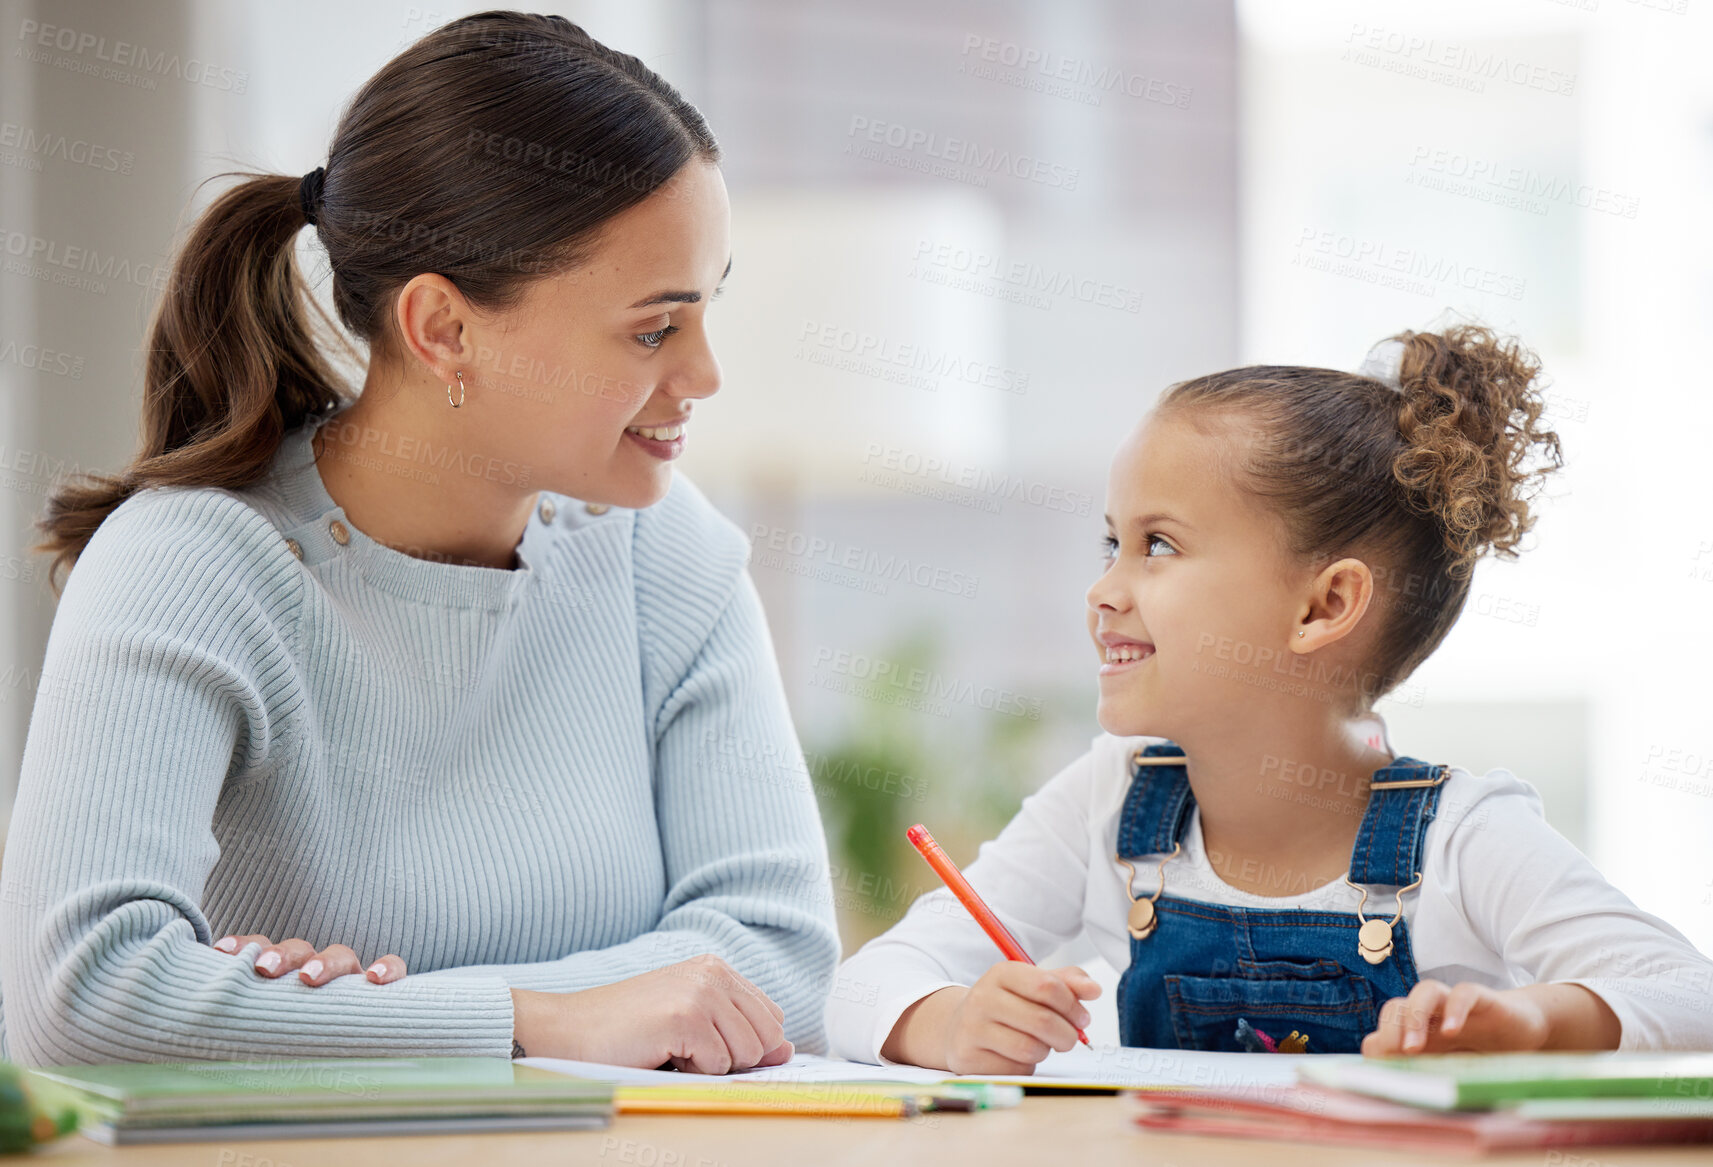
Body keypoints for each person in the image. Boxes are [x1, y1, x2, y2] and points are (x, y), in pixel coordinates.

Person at [0, 10, 838, 1072]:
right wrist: (549, 1019)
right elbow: (85, 998)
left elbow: (780, 962)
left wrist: (366, 1015)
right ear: (444, 329)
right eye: (652, 327)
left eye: (707, 308)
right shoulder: (190, 566)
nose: (705, 375)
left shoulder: (665, 553)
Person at [827, 324, 1713, 1072]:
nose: (1103, 590)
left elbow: (1688, 993)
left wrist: (1535, 1022)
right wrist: (944, 1022)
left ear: (1323, 605)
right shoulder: (1107, 803)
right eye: (1112, 543)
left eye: (1159, 546)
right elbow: (865, 982)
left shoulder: (1463, 838)